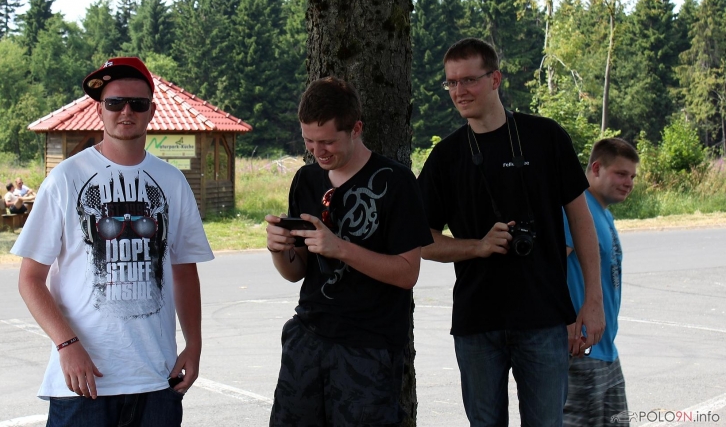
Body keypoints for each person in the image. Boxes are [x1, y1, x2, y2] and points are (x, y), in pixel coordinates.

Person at [11, 56, 214, 427]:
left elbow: (185, 272)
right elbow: (30, 279)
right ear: (99, 110)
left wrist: (195, 345)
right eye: (115, 102)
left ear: (152, 111)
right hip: (83, 382)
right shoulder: (66, 179)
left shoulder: (172, 181)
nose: (126, 111)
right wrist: (66, 344)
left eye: (137, 103)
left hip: (157, 380)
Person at [417, 37, 605, 426]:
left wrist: (593, 300)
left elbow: (582, 221)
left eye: (469, 80)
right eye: (451, 82)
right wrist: (478, 246)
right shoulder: (446, 157)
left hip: (544, 319)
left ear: (495, 79)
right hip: (477, 323)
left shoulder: (546, 137)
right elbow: (420, 240)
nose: (459, 91)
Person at [265, 77, 433, 426]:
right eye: (309, 141)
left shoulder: (396, 182)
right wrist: (278, 250)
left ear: (356, 129)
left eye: (328, 141)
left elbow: (407, 273)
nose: (318, 151)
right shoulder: (307, 180)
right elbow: (296, 272)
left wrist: (340, 248)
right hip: (307, 337)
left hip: (368, 346)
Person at [564, 138, 639, 426]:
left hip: (606, 351)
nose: (628, 183)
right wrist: (564, 323)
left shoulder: (602, 212)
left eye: (632, 176)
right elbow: (550, 271)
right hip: (581, 352)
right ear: (596, 168)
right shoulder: (576, 210)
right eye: (621, 174)